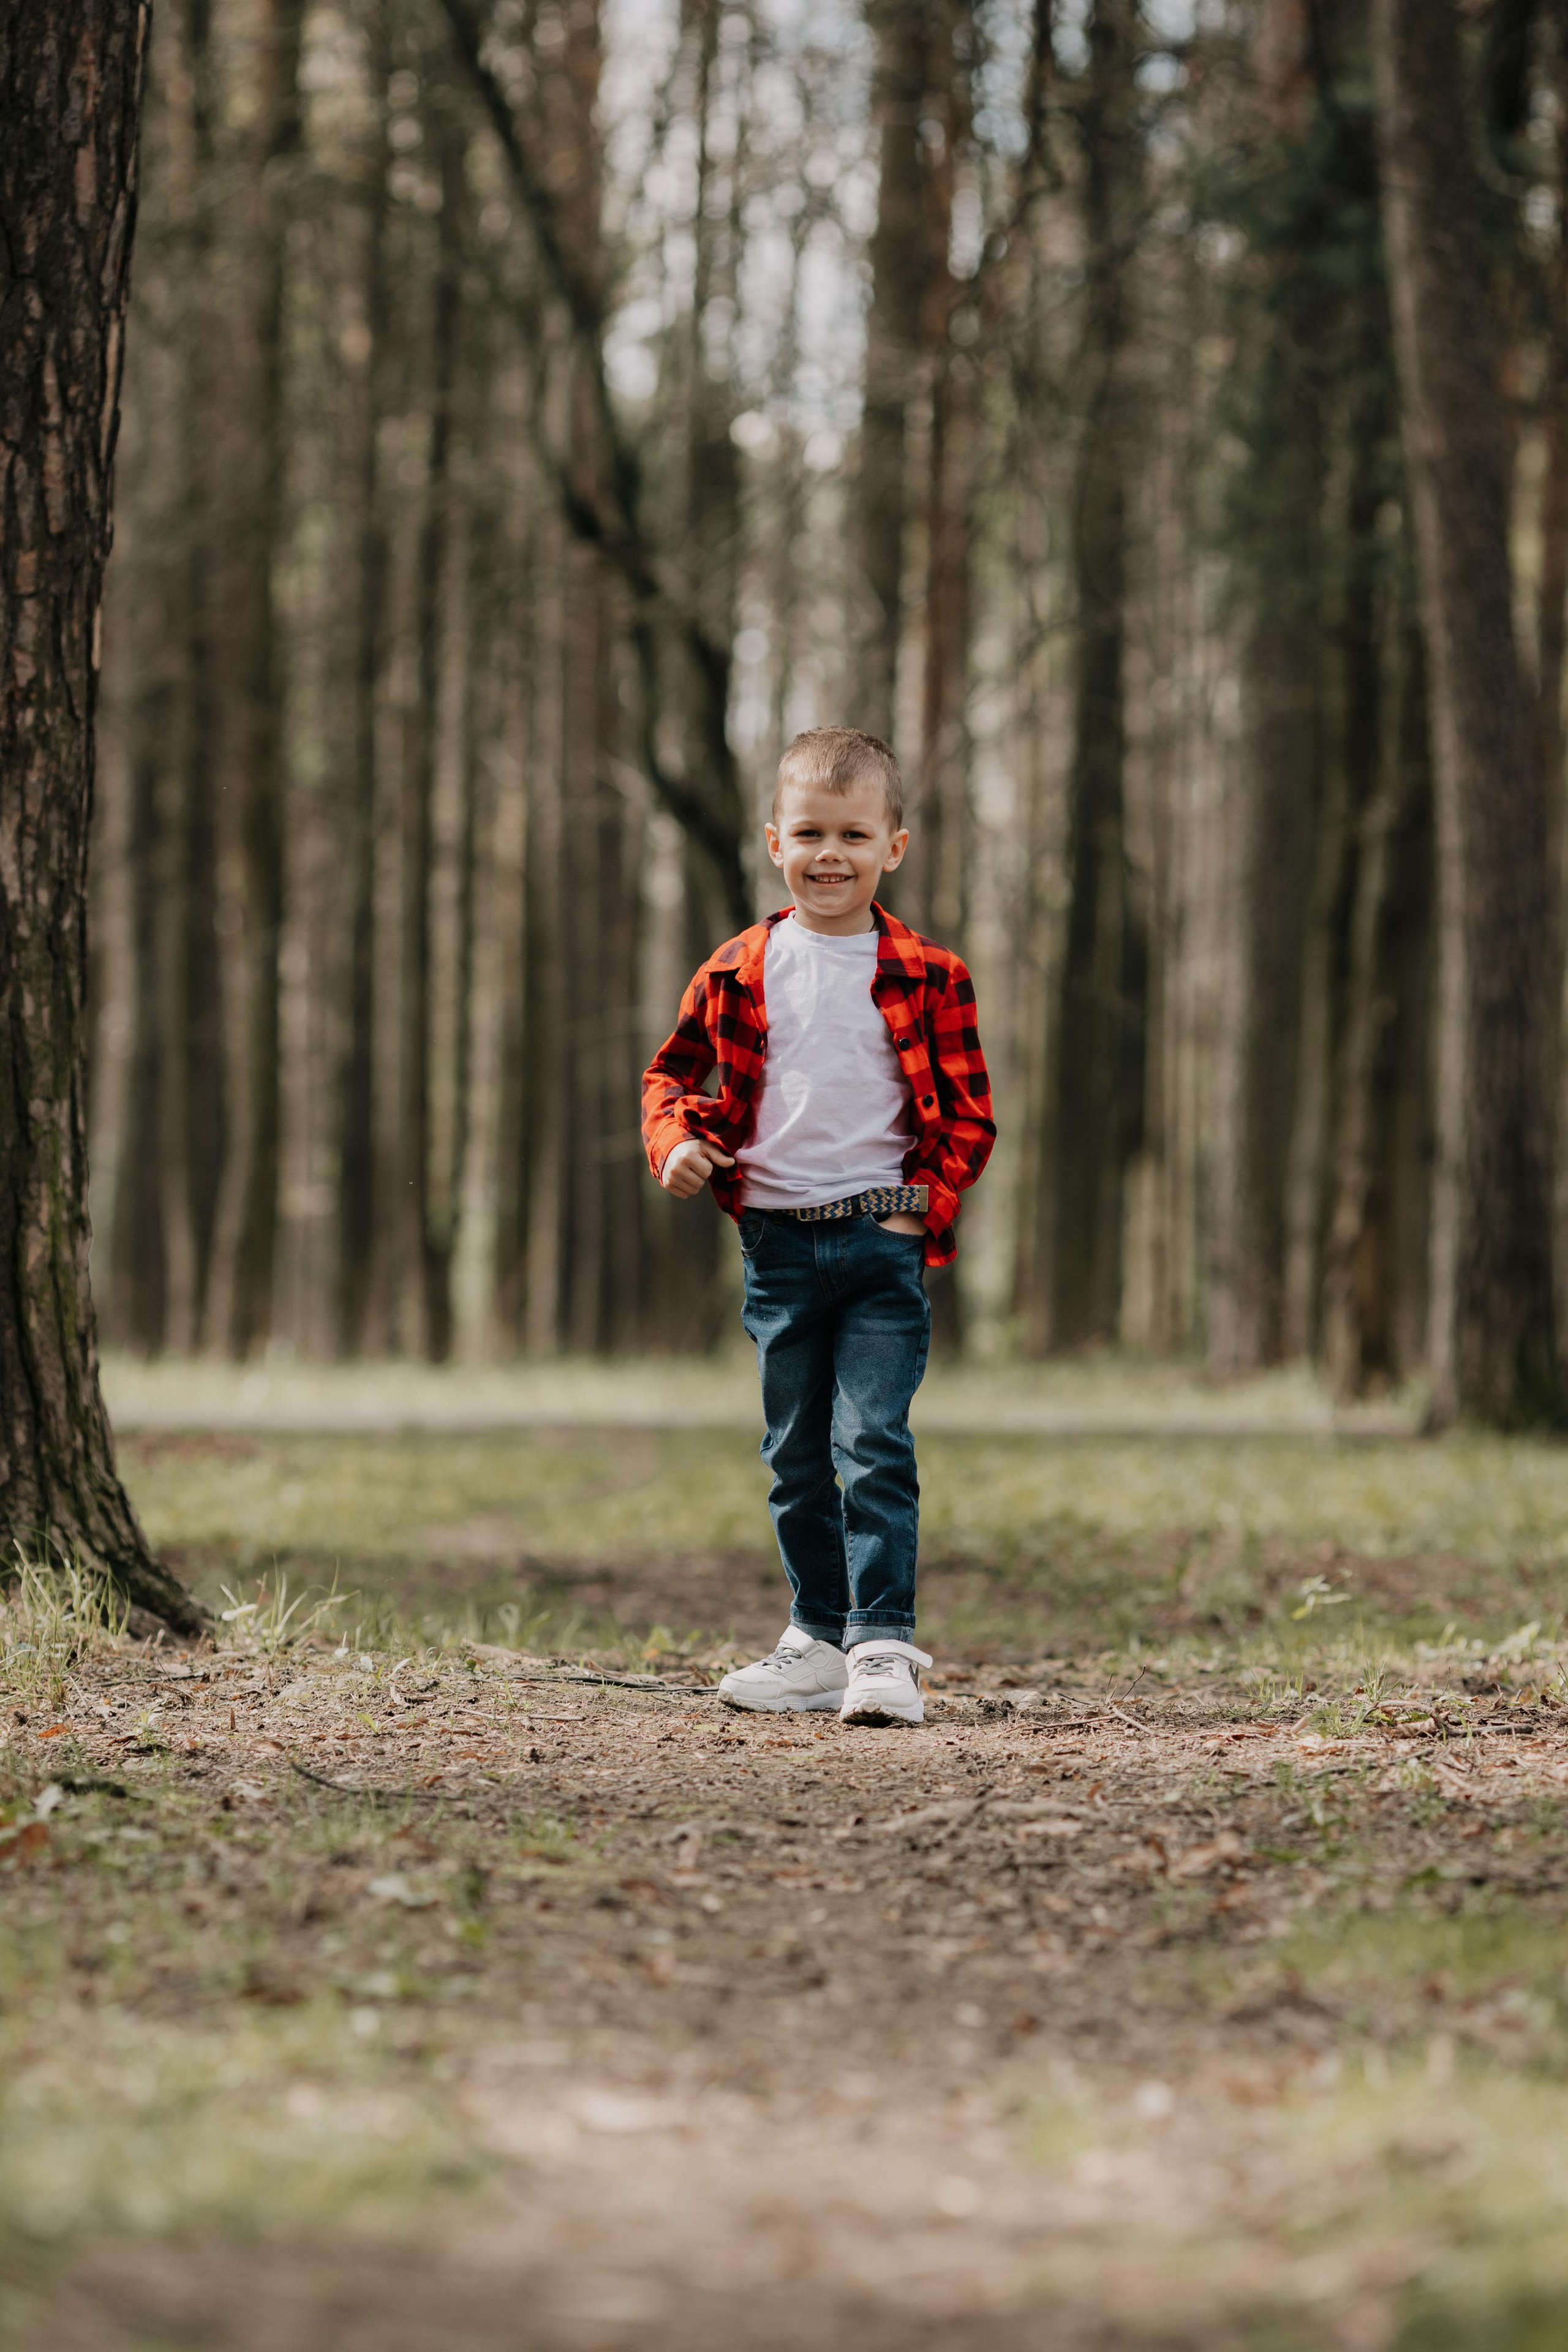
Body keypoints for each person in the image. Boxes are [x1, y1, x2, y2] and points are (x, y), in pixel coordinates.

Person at [640, 727, 995, 1727]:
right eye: (808, 834)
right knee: (794, 1454)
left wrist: (923, 1205)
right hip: (778, 1246)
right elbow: (670, 1076)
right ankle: (818, 1639)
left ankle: (881, 1647)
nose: (829, 854)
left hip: (882, 1244)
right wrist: (674, 1145)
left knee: (872, 1442)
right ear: (773, 843)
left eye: (853, 834)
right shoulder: (738, 970)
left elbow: (970, 1118)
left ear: (894, 847)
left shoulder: (930, 973)